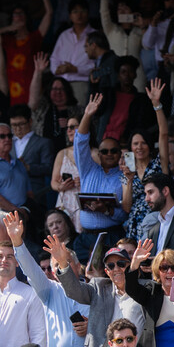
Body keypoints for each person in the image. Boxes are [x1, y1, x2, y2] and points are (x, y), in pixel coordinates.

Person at [5, 212, 89, 347]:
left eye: (67, 262)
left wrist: (91, 327)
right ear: (51, 270)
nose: (62, 267)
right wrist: (17, 241)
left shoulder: (94, 291)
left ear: (79, 266)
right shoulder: (49, 290)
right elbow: (30, 269)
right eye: (57, 264)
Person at [50, 239, 147, 347]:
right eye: (111, 266)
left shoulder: (145, 288)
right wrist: (62, 262)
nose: (116, 269)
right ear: (107, 272)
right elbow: (74, 290)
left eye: (121, 264)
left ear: (129, 265)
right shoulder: (100, 287)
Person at [71, 93, 128, 262]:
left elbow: (126, 212)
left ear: (119, 153)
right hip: (86, 238)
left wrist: (107, 210)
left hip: (112, 236)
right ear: (98, 153)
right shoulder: (88, 169)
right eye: (104, 151)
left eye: (113, 151)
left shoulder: (125, 176)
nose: (109, 154)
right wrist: (87, 115)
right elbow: (80, 143)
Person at [120, 80, 170, 239]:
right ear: (130, 148)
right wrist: (128, 181)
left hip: (158, 222)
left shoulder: (158, 163)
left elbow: (163, 134)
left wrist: (157, 105)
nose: (139, 147)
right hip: (134, 226)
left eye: (143, 143)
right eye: (135, 144)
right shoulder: (127, 170)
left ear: (149, 145)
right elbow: (126, 207)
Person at [48, 0, 96, 105]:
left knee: (79, 117)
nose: (79, 15)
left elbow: (97, 65)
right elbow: (54, 58)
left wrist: (75, 69)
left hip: (82, 83)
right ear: (70, 16)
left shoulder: (95, 36)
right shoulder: (64, 35)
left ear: (88, 13)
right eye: (75, 11)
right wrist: (57, 69)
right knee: (62, 117)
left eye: (83, 11)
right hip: (61, 84)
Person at [8, 104, 55, 205]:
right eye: (14, 125)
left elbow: (49, 168)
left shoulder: (43, 143)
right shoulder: (7, 143)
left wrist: (28, 167)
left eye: (21, 124)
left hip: (35, 193)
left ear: (30, 122)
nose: (18, 129)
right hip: (11, 193)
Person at [50, 116, 83, 231]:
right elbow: (53, 183)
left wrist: (84, 182)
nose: (69, 130)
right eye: (67, 127)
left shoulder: (93, 152)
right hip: (65, 202)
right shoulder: (62, 153)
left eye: (73, 127)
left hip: (84, 203)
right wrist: (61, 186)